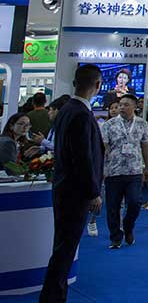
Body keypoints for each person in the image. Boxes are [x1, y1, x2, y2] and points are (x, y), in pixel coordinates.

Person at [40, 64, 104, 303]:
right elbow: (82, 157)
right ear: (97, 85)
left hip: (65, 188)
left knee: (63, 249)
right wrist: (93, 192)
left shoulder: (67, 109)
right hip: (74, 193)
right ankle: (53, 297)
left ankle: (55, 296)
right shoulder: (80, 114)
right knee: (64, 251)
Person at [101, 93, 148, 249]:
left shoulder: (142, 124)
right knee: (113, 207)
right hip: (113, 171)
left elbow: (145, 146)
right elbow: (104, 148)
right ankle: (115, 237)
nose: (122, 107)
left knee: (135, 202)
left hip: (134, 171)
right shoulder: (109, 125)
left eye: (126, 105)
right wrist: (102, 169)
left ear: (135, 107)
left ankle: (128, 227)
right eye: (120, 105)